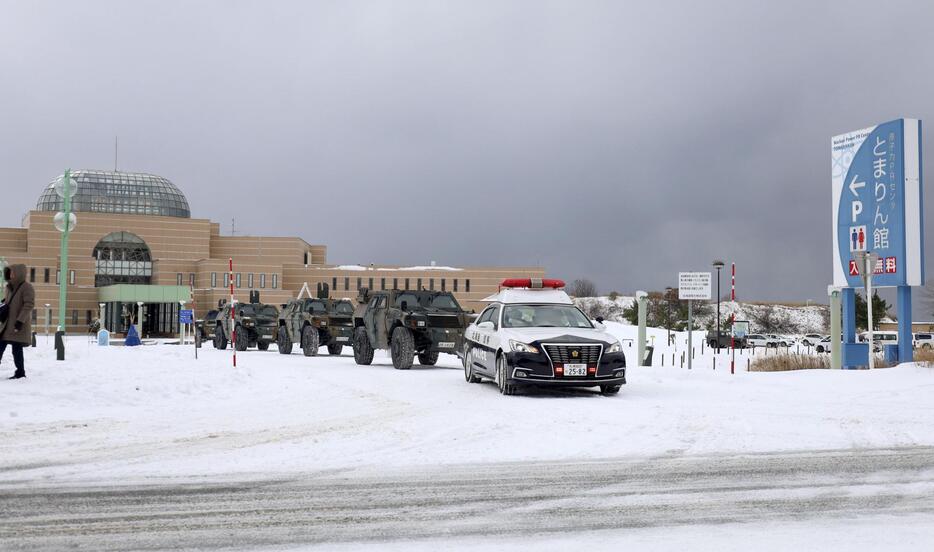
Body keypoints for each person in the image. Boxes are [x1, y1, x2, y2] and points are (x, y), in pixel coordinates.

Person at [1, 264, 36, 379]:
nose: (10, 275)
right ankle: (20, 372)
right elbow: (8, 302)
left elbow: (29, 304)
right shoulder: (9, 287)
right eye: (9, 272)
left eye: (13, 272)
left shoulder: (27, 287)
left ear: (19, 273)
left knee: (16, 349)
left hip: (17, 324)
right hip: (7, 324)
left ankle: (20, 372)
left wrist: (20, 321)